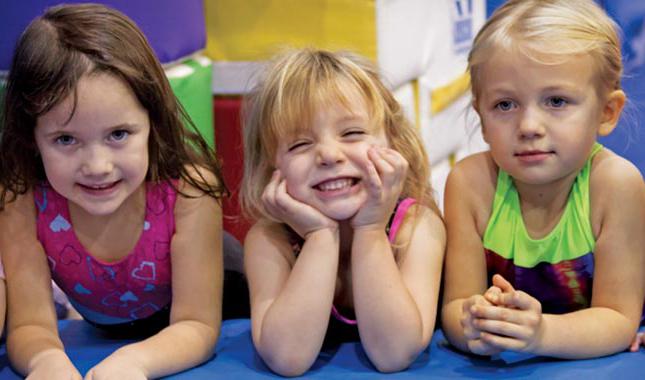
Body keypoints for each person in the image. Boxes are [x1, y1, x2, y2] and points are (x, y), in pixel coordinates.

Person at [0, 4, 226, 379]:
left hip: (224, 298)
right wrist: (45, 361)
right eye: (66, 139)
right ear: (32, 137)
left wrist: (134, 362)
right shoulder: (21, 198)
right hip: (101, 326)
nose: (97, 166)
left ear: (152, 122)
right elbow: (29, 327)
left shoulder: (189, 191)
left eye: (118, 134)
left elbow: (198, 324)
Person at [441, 0, 645, 359]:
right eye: (505, 105)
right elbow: (456, 306)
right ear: (481, 115)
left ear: (606, 111)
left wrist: (542, 333)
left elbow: (618, 319)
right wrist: (475, 324)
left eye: (556, 101)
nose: (529, 127)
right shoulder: (471, 184)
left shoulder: (614, 185)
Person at [240, 48, 446, 376]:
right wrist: (319, 237)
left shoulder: (417, 226)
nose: (328, 155)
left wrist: (370, 228)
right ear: (271, 168)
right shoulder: (270, 240)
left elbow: (393, 354)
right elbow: (287, 358)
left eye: (351, 133)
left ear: (395, 144)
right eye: (299, 145)